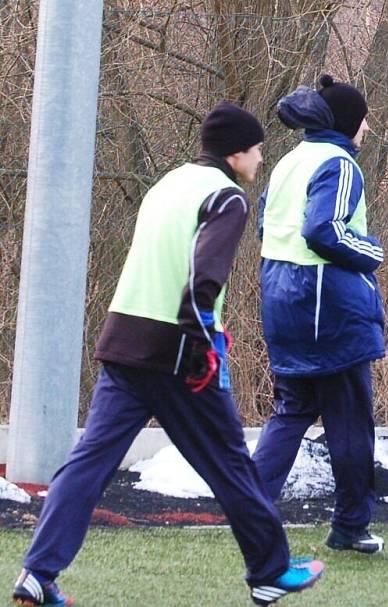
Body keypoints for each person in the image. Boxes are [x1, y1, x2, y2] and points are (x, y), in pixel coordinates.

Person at [11, 101, 324, 607]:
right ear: (237, 153)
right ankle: (269, 572)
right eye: (259, 150)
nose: (261, 160)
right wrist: (204, 346)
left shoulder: (167, 184)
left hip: (123, 343)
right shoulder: (228, 198)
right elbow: (204, 279)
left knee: (88, 464)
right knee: (231, 466)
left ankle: (37, 573)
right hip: (180, 353)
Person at [252, 75, 386, 554]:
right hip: (328, 308)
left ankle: (251, 509)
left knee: (291, 409)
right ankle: (350, 526)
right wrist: (371, 253)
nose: (368, 127)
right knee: (349, 420)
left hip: (282, 299)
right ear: (349, 124)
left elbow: (266, 224)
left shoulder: (288, 162)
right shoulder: (340, 163)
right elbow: (323, 230)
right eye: (364, 119)